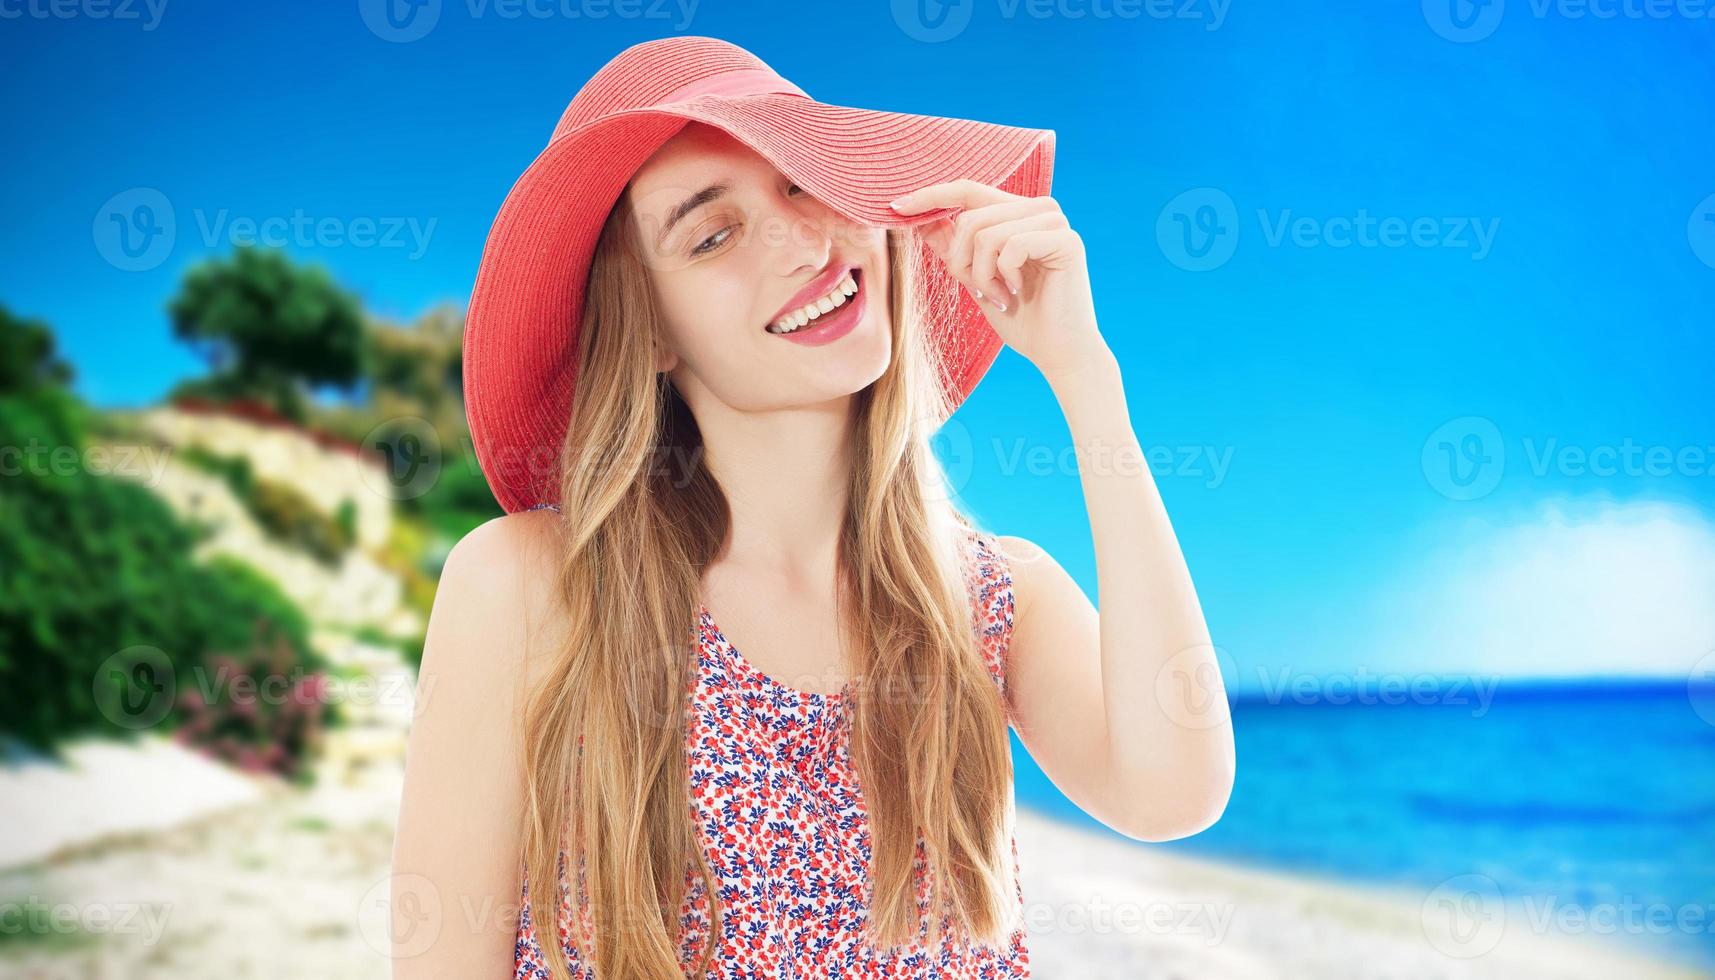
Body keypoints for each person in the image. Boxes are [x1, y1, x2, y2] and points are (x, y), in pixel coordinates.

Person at [392, 35, 1233, 980]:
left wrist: (1085, 378)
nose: (801, 244)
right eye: (712, 235)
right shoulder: (532, 587)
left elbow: (1176, 795)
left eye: (802, 183)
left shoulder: (989, 598)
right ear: (653, 331)